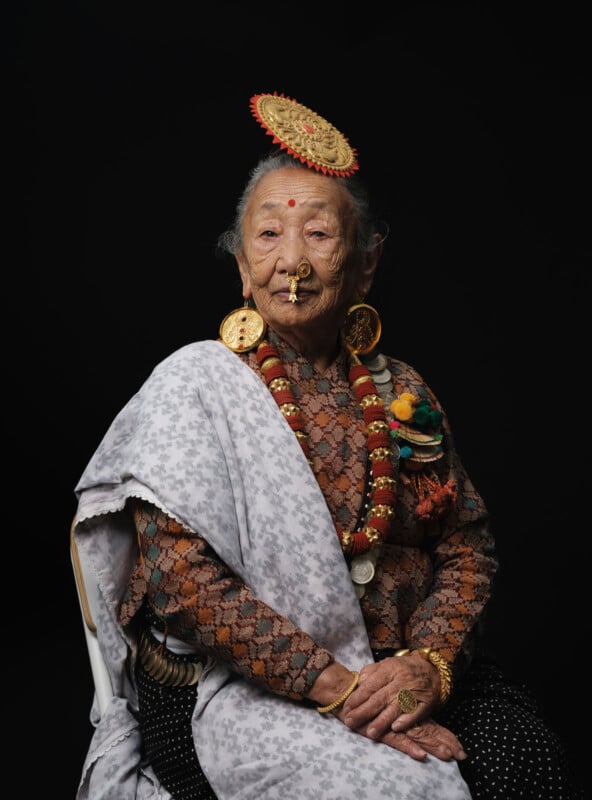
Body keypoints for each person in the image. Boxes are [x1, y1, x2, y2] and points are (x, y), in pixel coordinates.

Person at [72, 92, 583, 800]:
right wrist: (339, 687)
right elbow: (184, 585)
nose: (294, 261)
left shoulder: (402, 389)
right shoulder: (195, 386)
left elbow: (465, 547)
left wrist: (425, 670)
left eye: (318, 234)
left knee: (524, 761)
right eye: (269, 237)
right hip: (240, 683)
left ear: (366, 265)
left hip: (397, 670)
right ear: (242, 267)